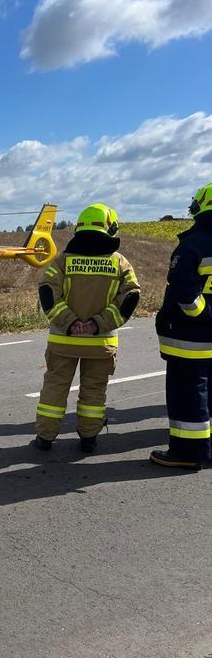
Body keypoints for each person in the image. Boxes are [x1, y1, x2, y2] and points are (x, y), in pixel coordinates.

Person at [35, 203, 140, 452]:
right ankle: (89, 439)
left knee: (54, 389)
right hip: (100, 343)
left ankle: (45, 439)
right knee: (94, 391)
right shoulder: (119, 263)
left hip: (64, 342)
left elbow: (48, 293)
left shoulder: (63, 261)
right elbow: (130, 297)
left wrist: (71, 323)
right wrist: (97, 325)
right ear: (110, 228)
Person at [151, 183, 212, 471]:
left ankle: (188, 451)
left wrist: (202, 316)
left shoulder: (193, 244)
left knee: (188, 392)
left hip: (193, 337)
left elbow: (184, 291)